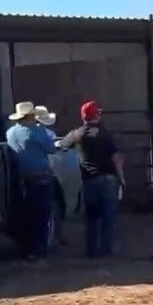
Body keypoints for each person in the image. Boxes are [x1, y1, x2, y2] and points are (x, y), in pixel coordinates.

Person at [57, 100, 125, 258]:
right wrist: (122, 179)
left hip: (89, 180)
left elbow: (60, 145)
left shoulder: (77, 134)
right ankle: (107, 249)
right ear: (97, 115)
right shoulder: (106, 134)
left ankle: (91, 251)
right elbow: (116, 158)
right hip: (108, 179)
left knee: (91, 218)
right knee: (109, 217)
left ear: (83, 116)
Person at [6, 102, 56, 263]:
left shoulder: (10, 133)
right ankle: (38, 250)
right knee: (41, 215)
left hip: (21, 178)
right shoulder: (37, 132)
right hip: (40, 177)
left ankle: (25, 250)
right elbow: (51, 149)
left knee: (26, 215)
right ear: (30, 116)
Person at [34, 106, 67, 248]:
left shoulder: (26, 133)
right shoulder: (47, 134)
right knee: (56, 205)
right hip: (48, 173)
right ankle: (55, 236)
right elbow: (54, 150)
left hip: (35, 172)